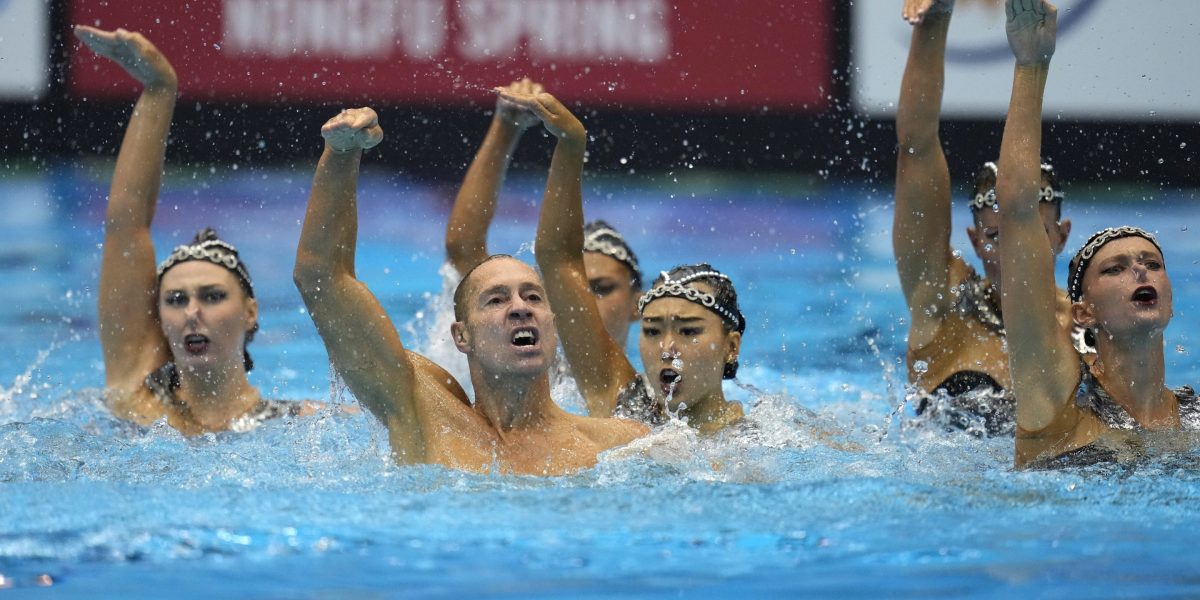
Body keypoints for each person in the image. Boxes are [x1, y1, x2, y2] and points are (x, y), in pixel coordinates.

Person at [293, 106, 647, 475]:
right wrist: (342, 155)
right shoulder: (425, 413)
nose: (520, 308)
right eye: (496, 299)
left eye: (533, 297)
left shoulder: (621, 444)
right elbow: (321, 277)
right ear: (461, 336)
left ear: (553, 323)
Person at [994, 0, 1199, 467]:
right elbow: (1018, 211)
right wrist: (1031, 66)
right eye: (1116, 268)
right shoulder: (1057, 401)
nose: (1139, 271)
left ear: (1168, 295)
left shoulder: (1195, 418)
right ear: (1083, 311)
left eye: (1151, 263)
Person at [79, 26, 304, 435]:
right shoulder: (136, 401)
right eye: (176, 300)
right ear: (160, 318)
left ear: (250, 313)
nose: (192, 313)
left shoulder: (299, 425)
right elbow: (125, 227)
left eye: (213, 296)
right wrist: (159, 88)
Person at [498, 90, 747, 434]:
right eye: (652, 331)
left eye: (688, 331)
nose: (667, 348)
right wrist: (571, 144)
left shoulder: (768, 441)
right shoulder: (625, 403)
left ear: (730, 347)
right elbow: (557, 258)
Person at [894, 0, 1072, 434]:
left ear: (1061, 237)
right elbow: (916, 149)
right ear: (974, 243)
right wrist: (933, 22)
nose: (1015, 254)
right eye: (996, 237)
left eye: (1032, 233)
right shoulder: (942, 305)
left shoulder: (1087, 325)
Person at [445, 78, 642, 351]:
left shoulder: (654, 387)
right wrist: (505, 125)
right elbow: (463, 250)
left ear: (638, 305)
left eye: (601, 288)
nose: (579, 300)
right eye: (558, 290)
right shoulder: (512, 364)